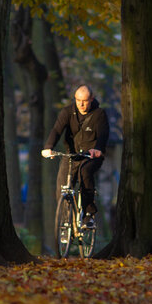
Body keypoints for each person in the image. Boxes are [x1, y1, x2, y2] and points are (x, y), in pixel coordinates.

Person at [41, 85, 109, 228]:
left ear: (91, 99)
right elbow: (57, 130)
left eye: (84, 101)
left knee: (84, 174)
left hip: (90, 157)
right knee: (62, 185)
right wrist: (48, 147)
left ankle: (89, 216)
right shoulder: (67, 112)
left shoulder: (99, 114)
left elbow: (103, 134)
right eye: (78, 100)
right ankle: (66, 220)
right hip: (71, 155)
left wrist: (98, 149)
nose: (81, 104)